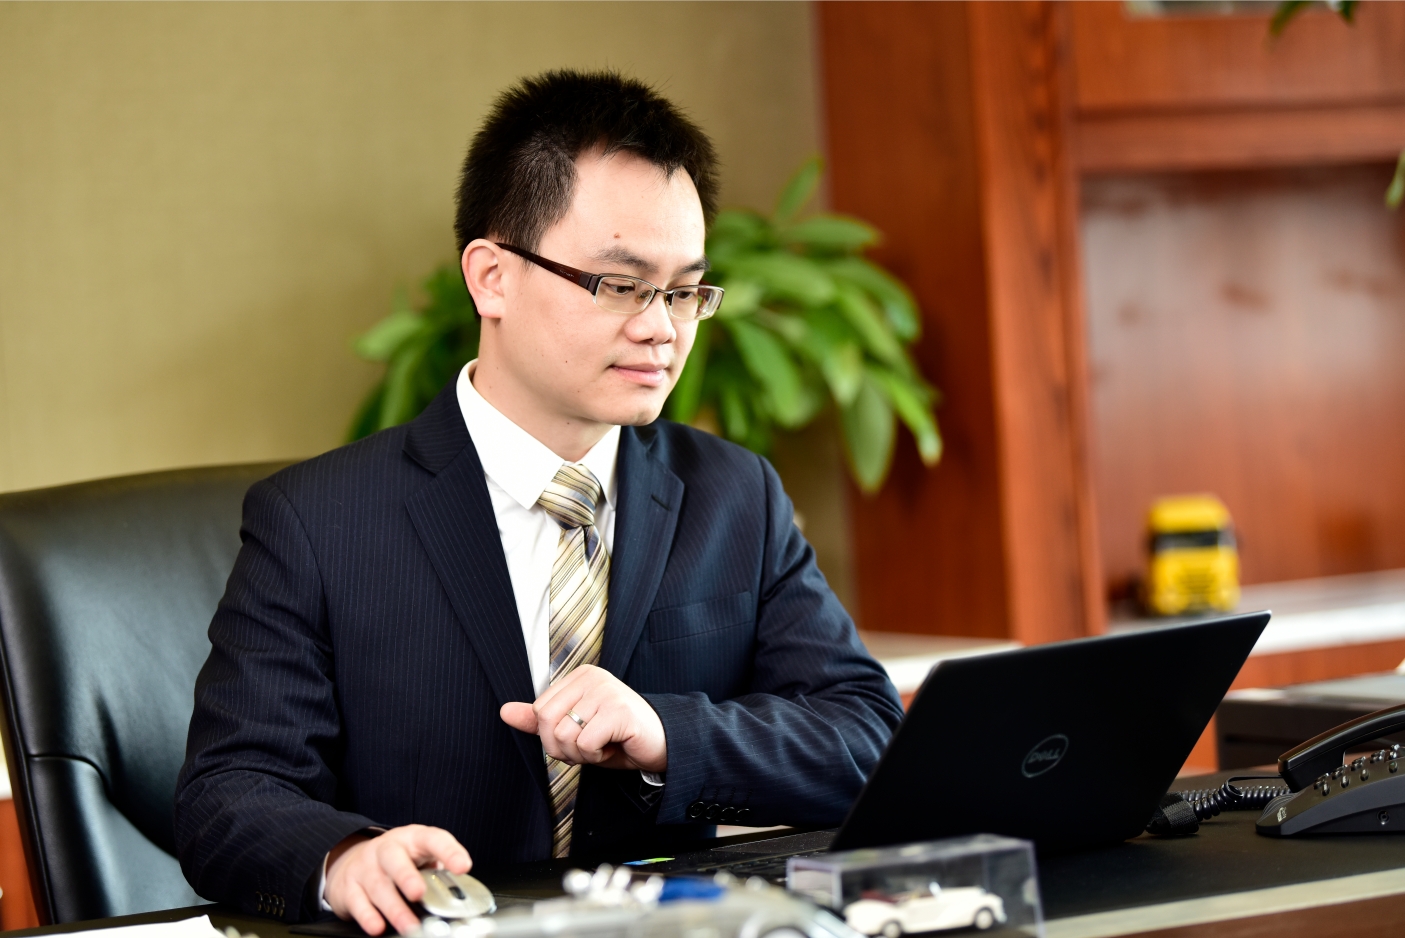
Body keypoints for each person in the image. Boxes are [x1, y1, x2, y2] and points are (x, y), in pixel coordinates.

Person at [174, 70, 903, 936]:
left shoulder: (733, 494)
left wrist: (668, 734)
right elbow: (228, 794)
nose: (661, 328)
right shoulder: (317, 521)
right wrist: (343, 858)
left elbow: (866, 741)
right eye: (620, 284)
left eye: (684, 292)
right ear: (491, 277)